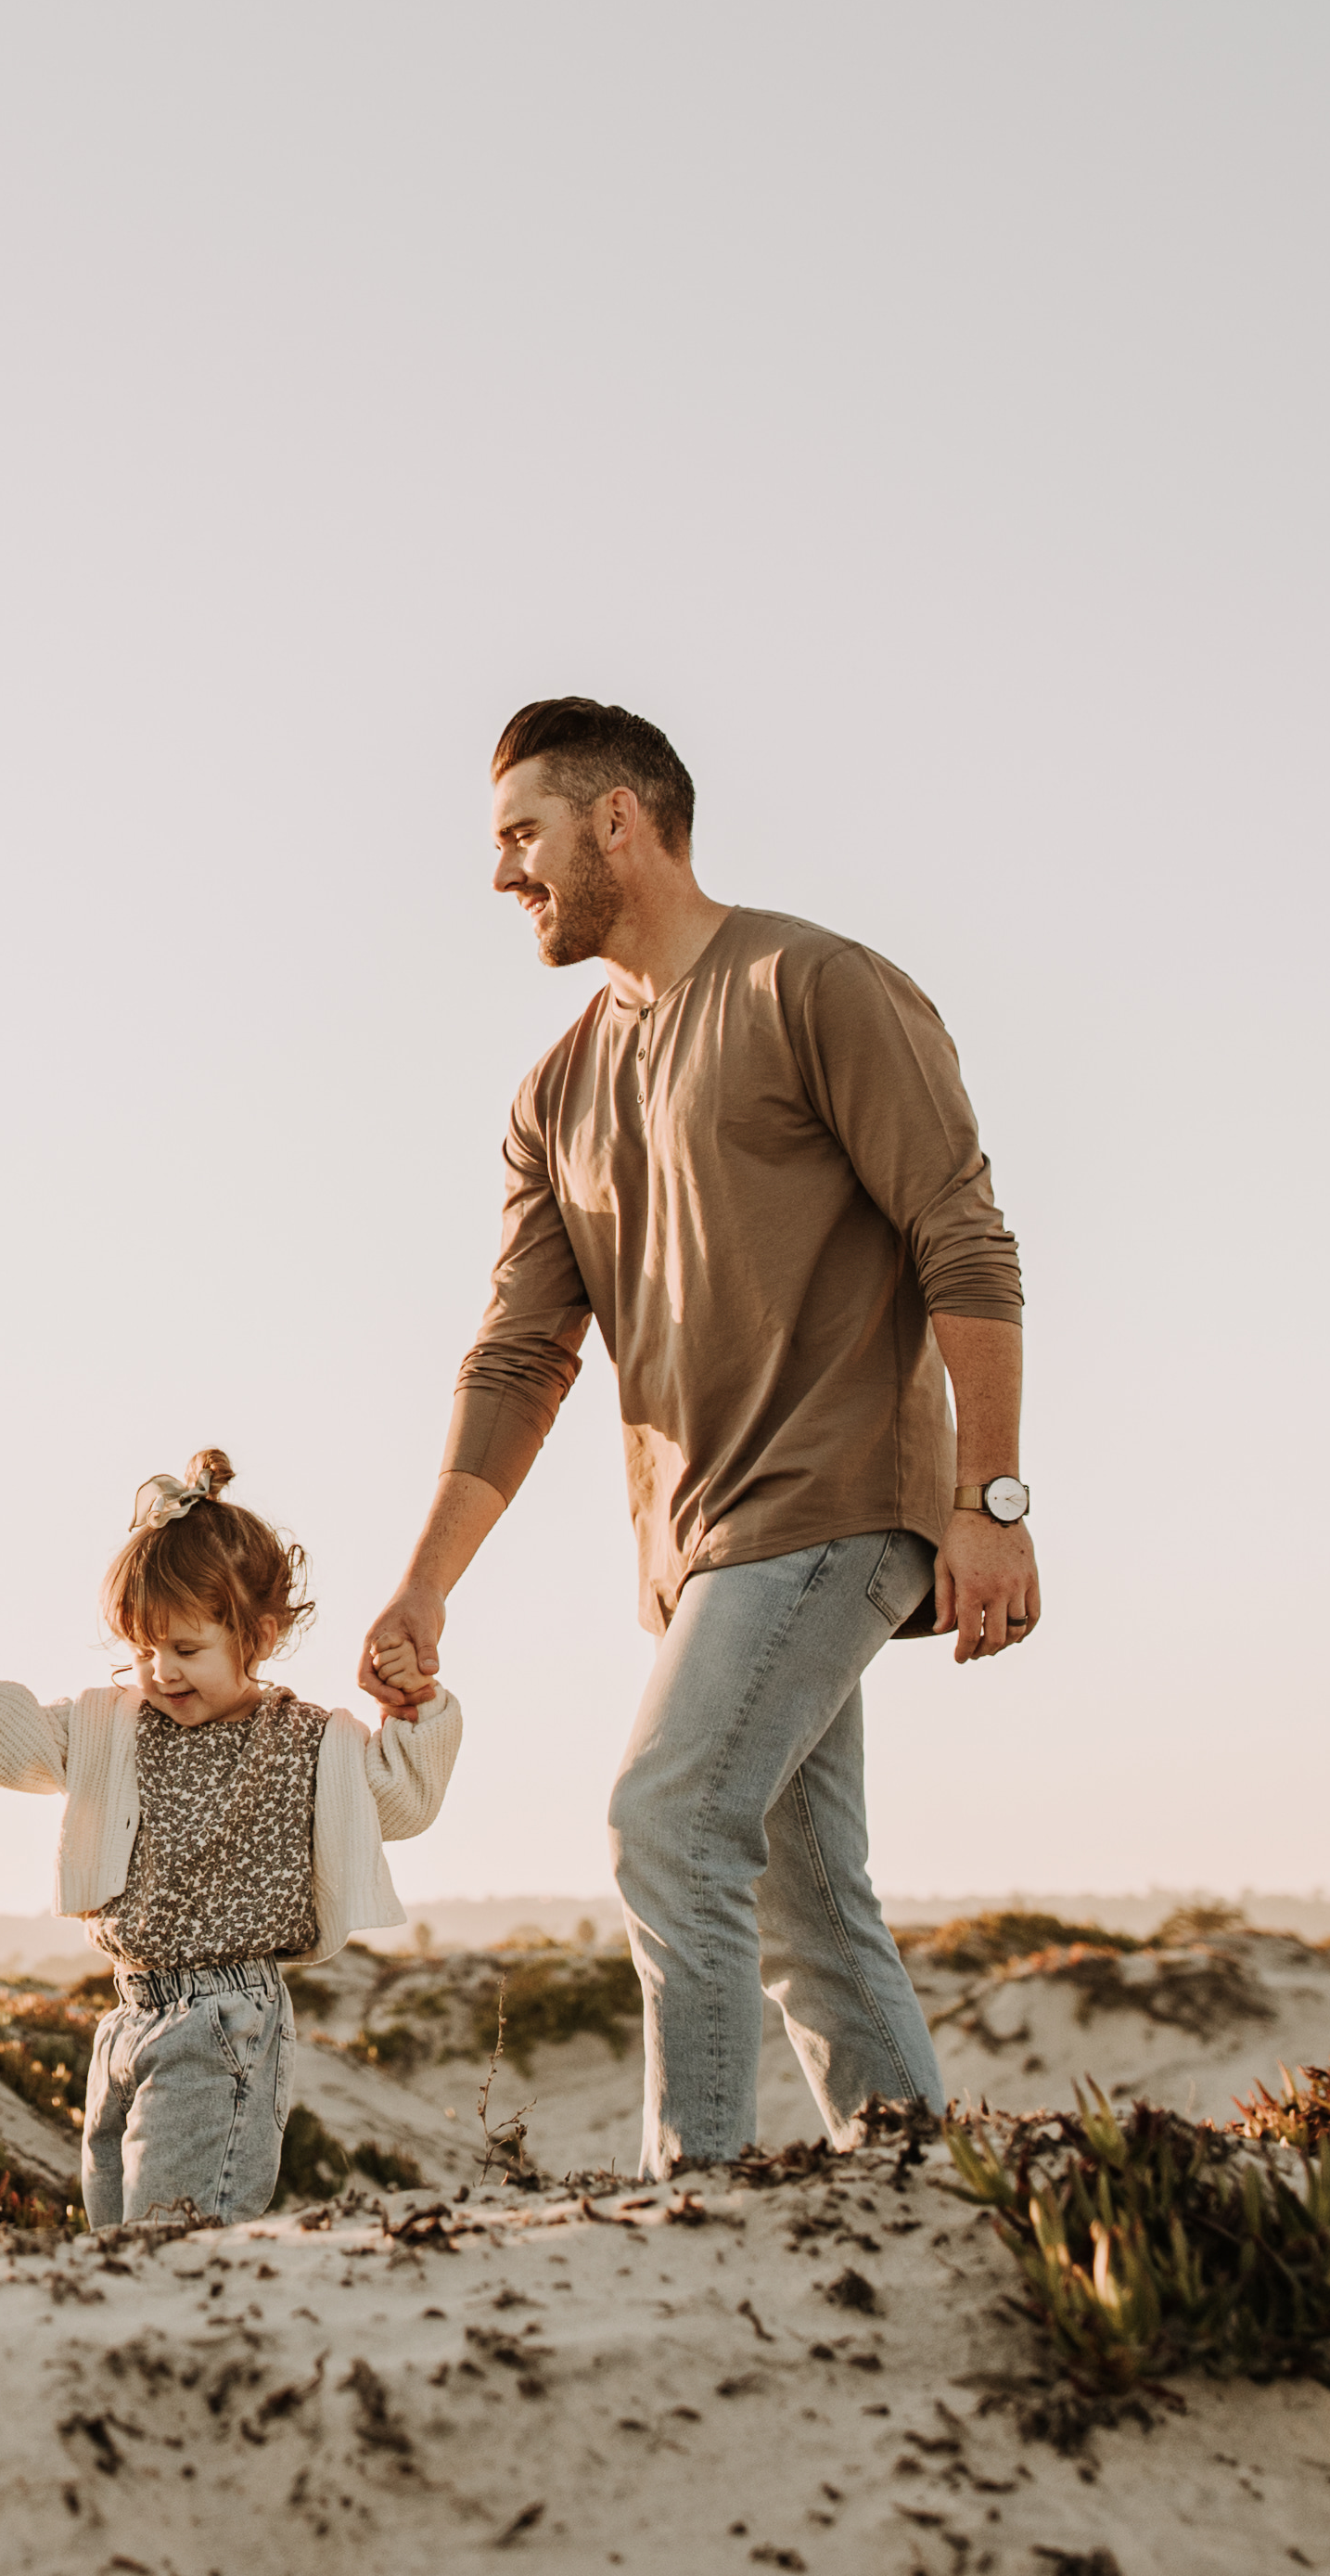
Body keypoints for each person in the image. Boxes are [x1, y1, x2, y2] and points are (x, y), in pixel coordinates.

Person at [355, 698, 1035, 2175]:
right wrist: (427, 1583)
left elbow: (963, 1239)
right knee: (805, 1901)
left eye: (521, 835)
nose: (499, 877)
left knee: (664, 1820)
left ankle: (704, 2201)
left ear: (619, 820)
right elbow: (522, 1357)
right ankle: (923, 2193)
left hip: (840, 1500)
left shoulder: (816, 985)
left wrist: (992, 1498)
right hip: (700, 1543)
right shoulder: (556, 1090)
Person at [0, 1450, 458, 2223]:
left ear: (257, 1636)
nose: (160, 1671)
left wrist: (415, 1708)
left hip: (226, 2021)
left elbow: (403, 1798)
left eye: (186, 1649)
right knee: (113, 2235)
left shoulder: (307, 1743)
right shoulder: (115, 1727)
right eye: (142, 1649)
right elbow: (13, 1736)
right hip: (127, 2016)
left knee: (175, 2241)